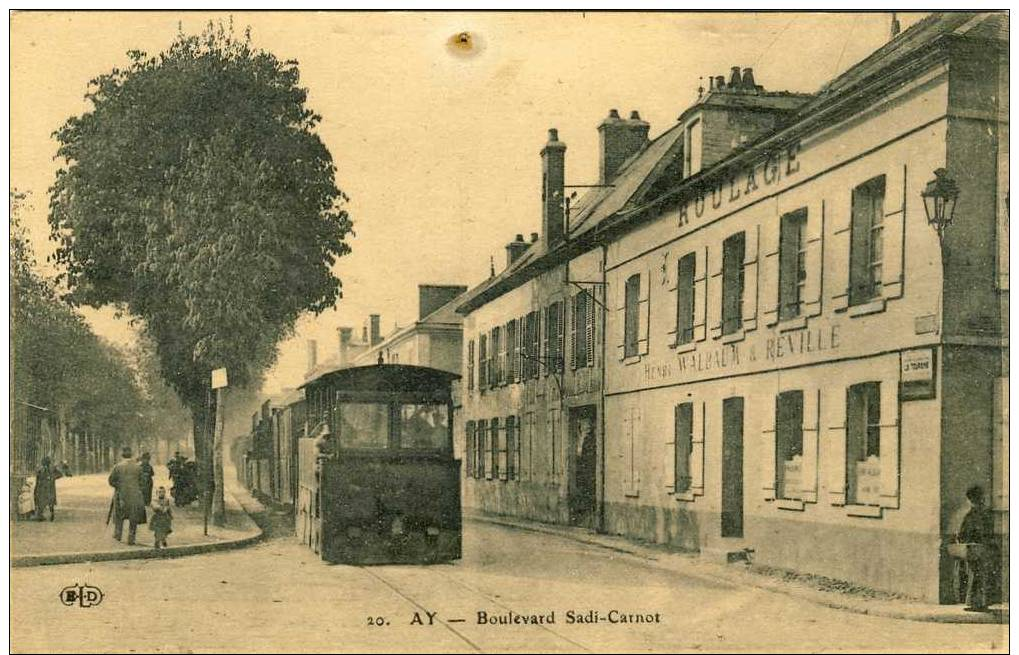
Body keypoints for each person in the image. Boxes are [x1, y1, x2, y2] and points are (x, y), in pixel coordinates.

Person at [956, 485, 994, 611]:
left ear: (970, 499)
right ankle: (981, 602)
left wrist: (960, 539)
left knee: (974, 575)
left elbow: (962, 533)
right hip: (985, 547)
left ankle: (975, 603)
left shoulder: (970, 515)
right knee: (981, 575)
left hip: (973, 548)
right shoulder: (986, 513)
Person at [108, 446, 147, 545]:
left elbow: (111, 481)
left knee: (119, 515)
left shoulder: (117, 466)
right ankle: (131, 538)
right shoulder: (138, 467)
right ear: (131, 454)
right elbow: (143, 482)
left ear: (122, 455)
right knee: (133, 516)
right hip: (134, 495)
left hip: (121, 494)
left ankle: (118, 535)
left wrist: (119, 486)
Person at [33, 456, 64, 521]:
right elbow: (37, 479)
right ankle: (41, 515)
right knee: (44, 502)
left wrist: (53, 478)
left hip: (48, 488)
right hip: (44, 488)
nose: (44, 465)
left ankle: (49, 514)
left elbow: (60, 474)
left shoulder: (51, 469)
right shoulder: (42, 470)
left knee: (49, 502)